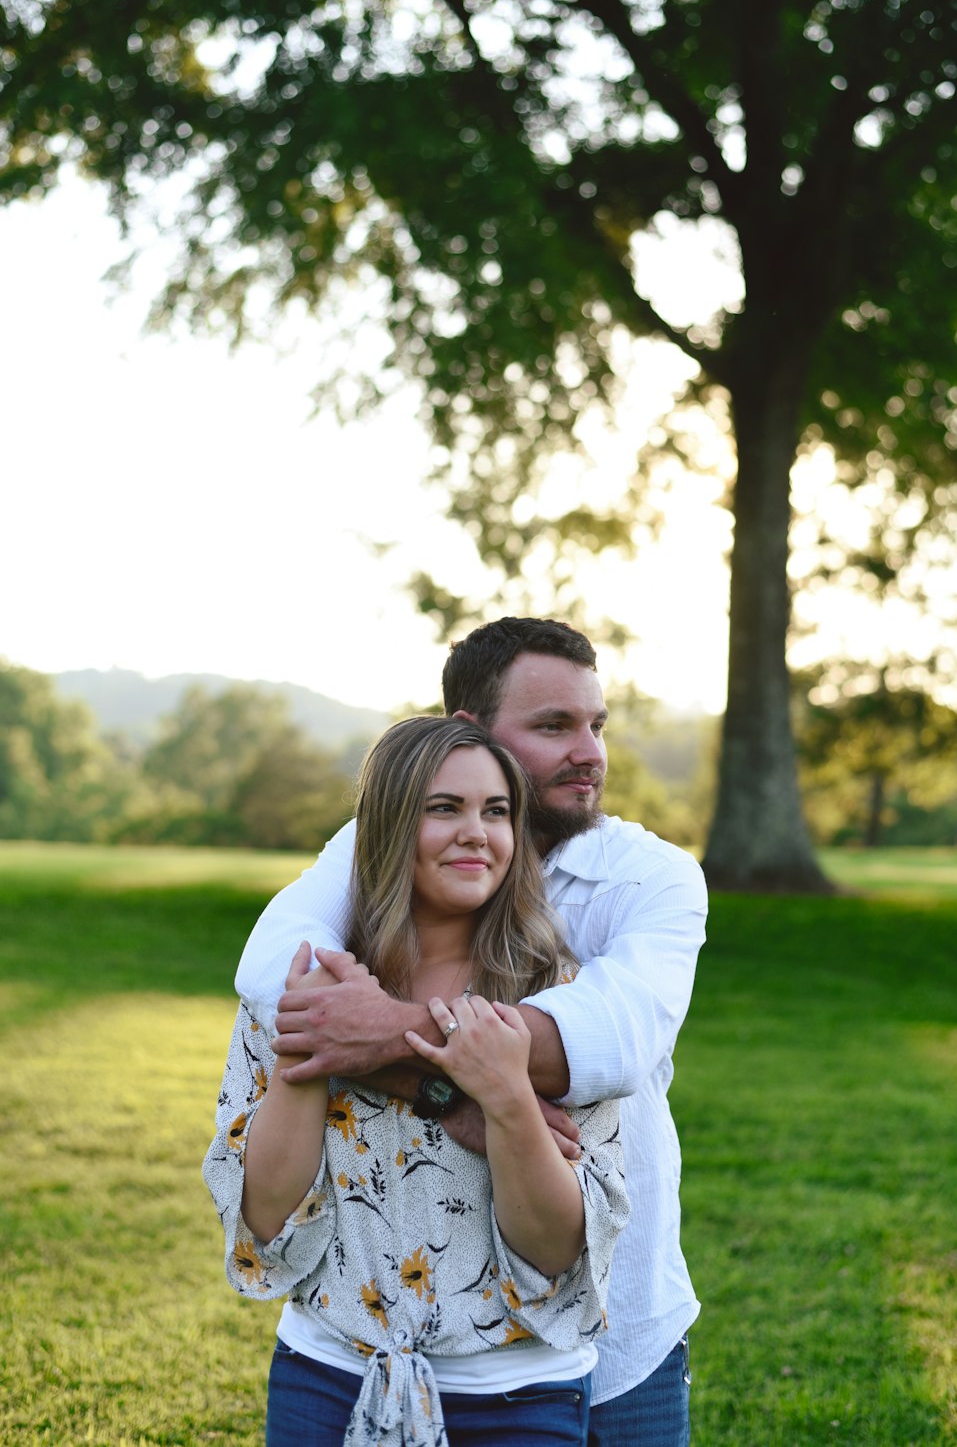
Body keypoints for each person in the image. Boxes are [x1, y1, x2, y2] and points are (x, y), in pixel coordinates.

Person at [235, 618, 708, 1446]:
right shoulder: (376, 847)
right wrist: (455, 1088)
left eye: (596, 724)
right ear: (464, 729)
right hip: (356, 1352)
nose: (589, 751)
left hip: (616, 1315)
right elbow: (275, 974)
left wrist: (430, 1067)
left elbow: (606, 1047)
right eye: (553, 726)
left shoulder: (651, 876)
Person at [204, 716, 629, 1446]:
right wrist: (317, 1047)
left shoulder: (556, 1006)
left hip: (516, 1400)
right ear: (391, 824)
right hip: (327, 1380)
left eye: (496, 811)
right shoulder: (307, 981)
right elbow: (268, 1220)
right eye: (445, 809)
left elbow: (557, 1252)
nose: (477, 832)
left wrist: (502, 1096)